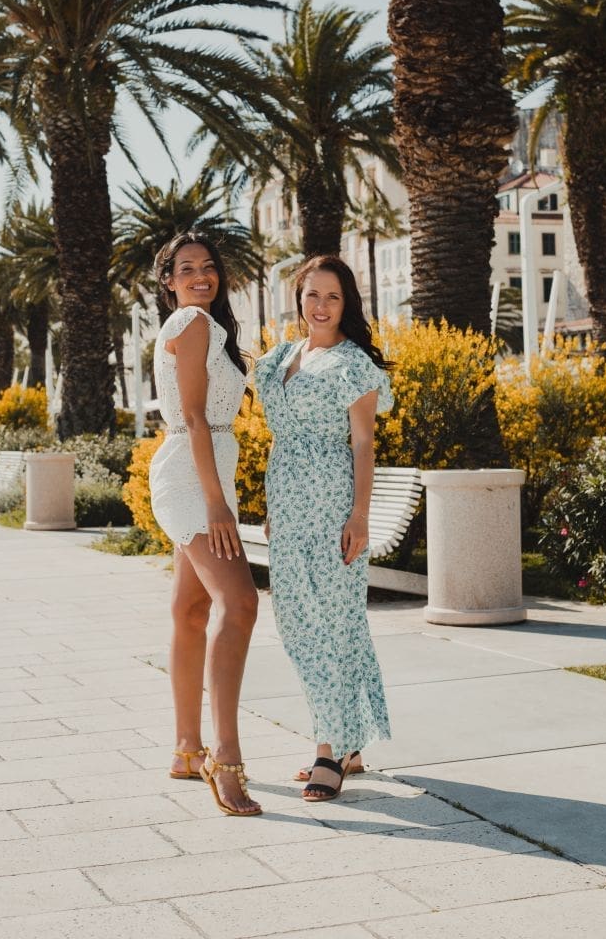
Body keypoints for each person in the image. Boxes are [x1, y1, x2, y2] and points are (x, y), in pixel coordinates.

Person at [254, 253, 393, 801]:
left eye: (332, 296)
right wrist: (275, 506)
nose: (321, 305)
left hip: (333, 506)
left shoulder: (353, 363)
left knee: (333, 626)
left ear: (346, 303)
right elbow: (282, 437)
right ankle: (348, 742)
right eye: (312, 294)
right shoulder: (282, 357)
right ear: (298, 299)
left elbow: (364, 442)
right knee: (296, 621)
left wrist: (360, 514)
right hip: (289, 508)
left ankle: (328, 750)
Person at [150, 231, 261, 817]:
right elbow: (193, 417)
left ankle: (187, 750)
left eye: (208, 266)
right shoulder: (191, 323)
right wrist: (217, 504)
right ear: (168, 281)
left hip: (203, 471)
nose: (201, 276)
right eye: (187, 268)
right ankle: (225, 756)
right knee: (239, 603)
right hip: (195, 480)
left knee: (192, 609)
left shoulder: (208, 328)